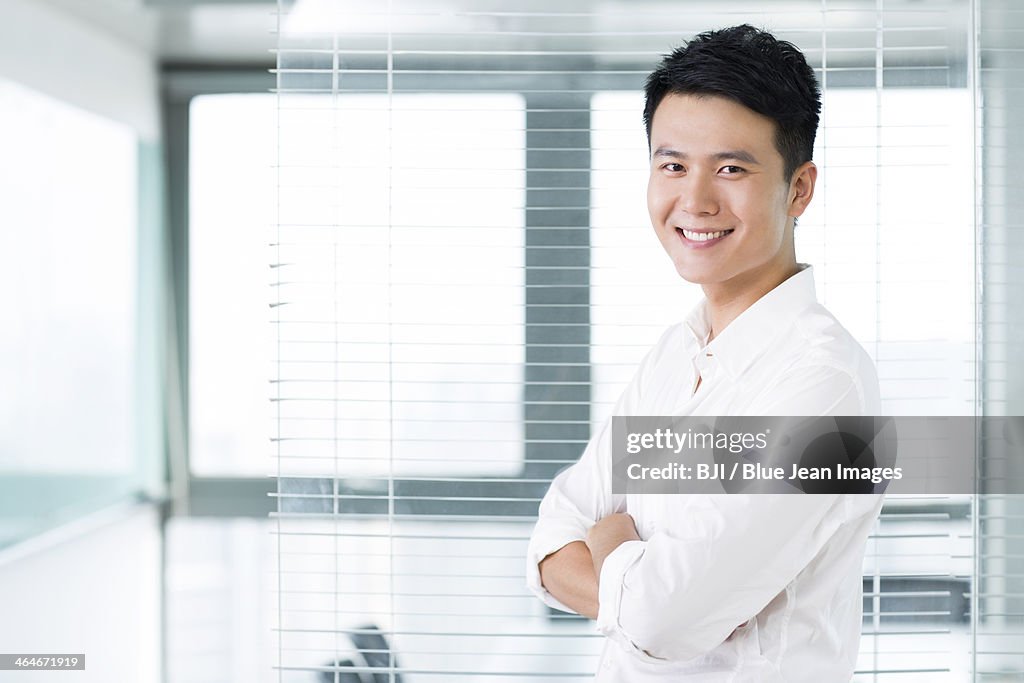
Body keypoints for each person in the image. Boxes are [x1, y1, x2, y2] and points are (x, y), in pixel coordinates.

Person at [526, 25, 883, 682]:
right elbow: (551, 540)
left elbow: (662, 617)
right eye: (672, 165)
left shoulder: (827, 391)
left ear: (799, 188)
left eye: (730, 168)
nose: (694, 200)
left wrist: (612, 549)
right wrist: (633, 575)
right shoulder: (675, 353)